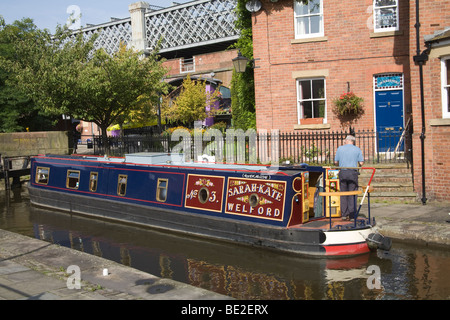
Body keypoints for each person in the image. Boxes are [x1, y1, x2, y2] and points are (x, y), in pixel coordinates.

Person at [334, 135, 364, 220]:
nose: (344, 141)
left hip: (343, 172)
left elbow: (336, 162)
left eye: (345, 140)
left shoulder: (340, 149)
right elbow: (361, 163)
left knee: (343, 193)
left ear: (348, 140)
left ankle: (344, 214)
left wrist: (339, 165)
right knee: (352, 193)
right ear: (353, 141)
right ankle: (352, 215)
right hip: (352, 172)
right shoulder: (357, 149)